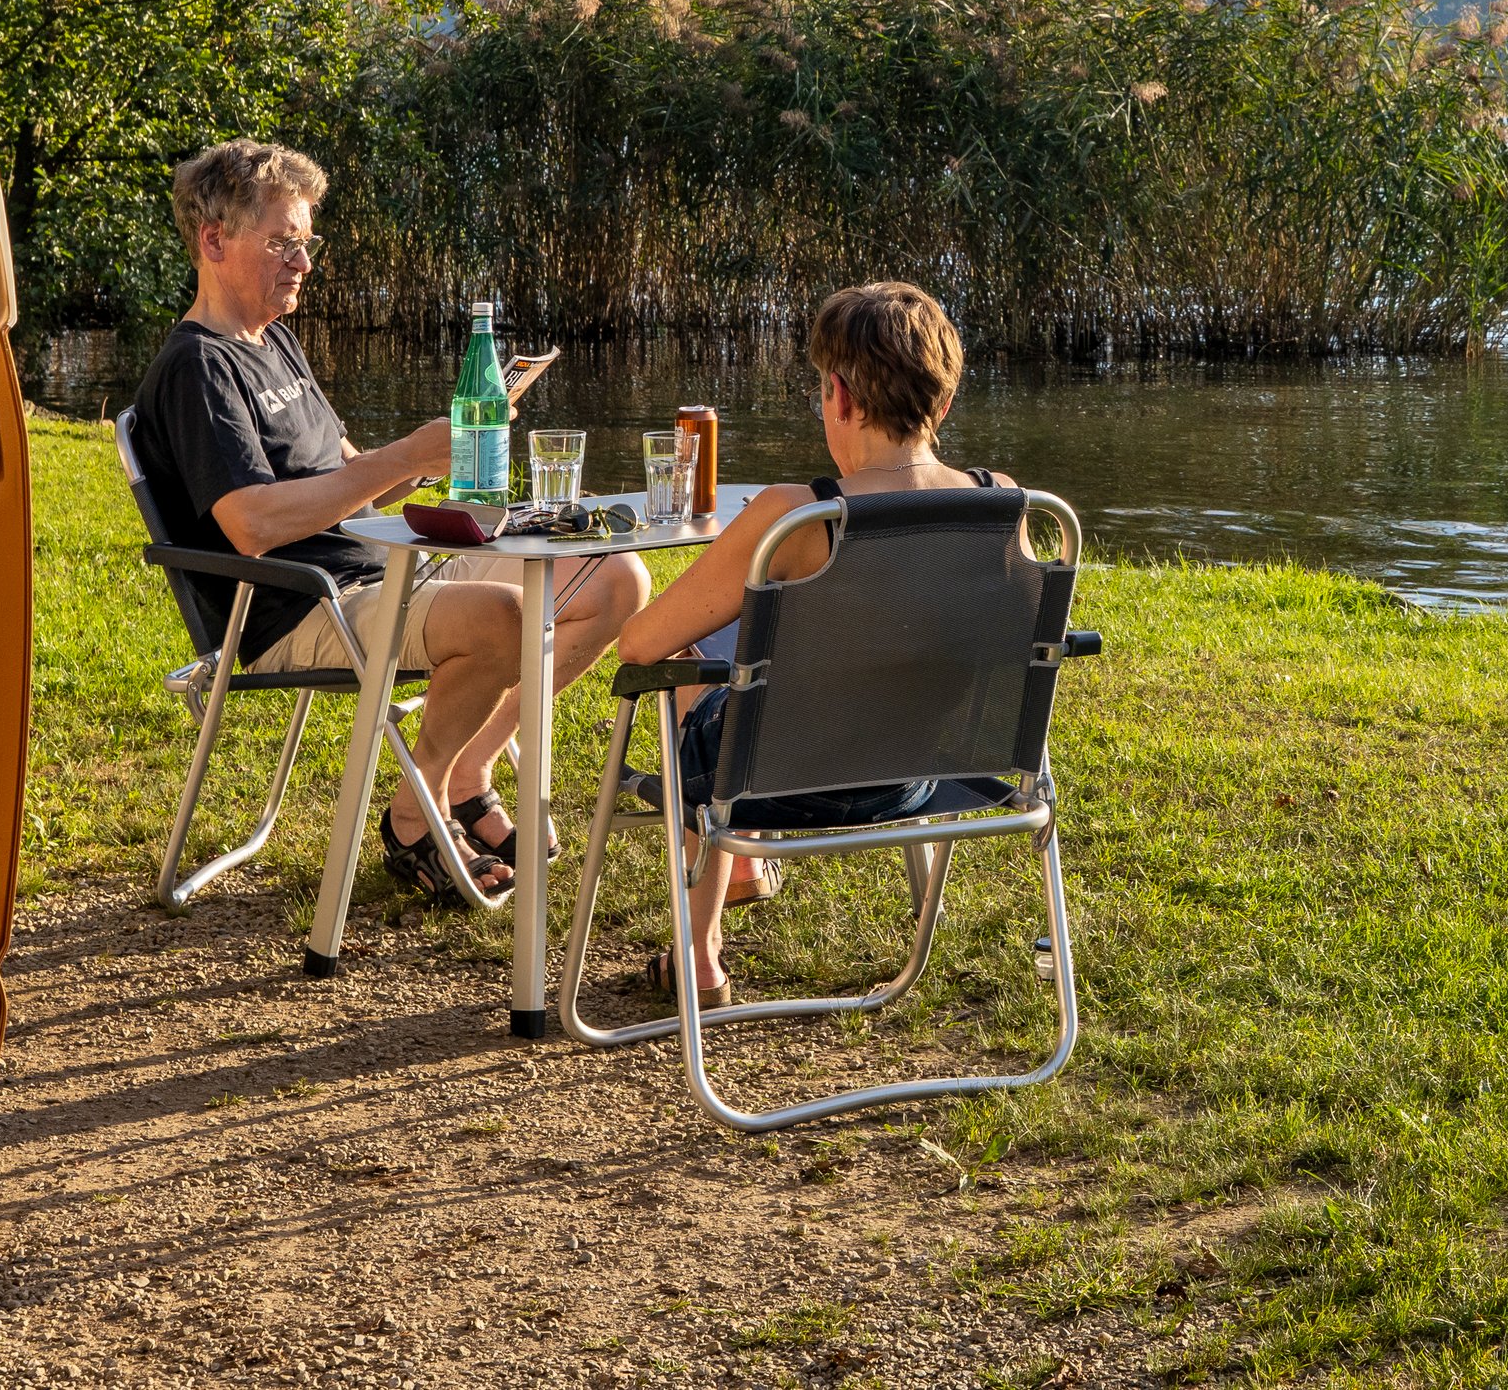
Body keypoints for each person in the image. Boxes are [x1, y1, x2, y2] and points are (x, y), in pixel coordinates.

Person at [130, 139, 639, 906]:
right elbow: (254, 526)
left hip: (377, 570)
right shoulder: (198, 368)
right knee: (501, 618)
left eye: (307, 242)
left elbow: (344, 470)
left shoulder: (276, 344)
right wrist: (405, 455)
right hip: (296, 603)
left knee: (613, 580)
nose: (302, 261)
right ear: (213, 241)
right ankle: (413, 815)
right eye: (281, 242)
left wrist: (439, 468)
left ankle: (464, 772)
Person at [610, 279, 1013, 1008]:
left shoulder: (799, 516)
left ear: (841, 398)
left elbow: (638, 642)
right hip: (917, 776)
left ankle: (700, 950)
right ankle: (731, 879)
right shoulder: (1001, 501)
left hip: (770, 785)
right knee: (745, 634)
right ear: (943, 403)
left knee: (681, 660)